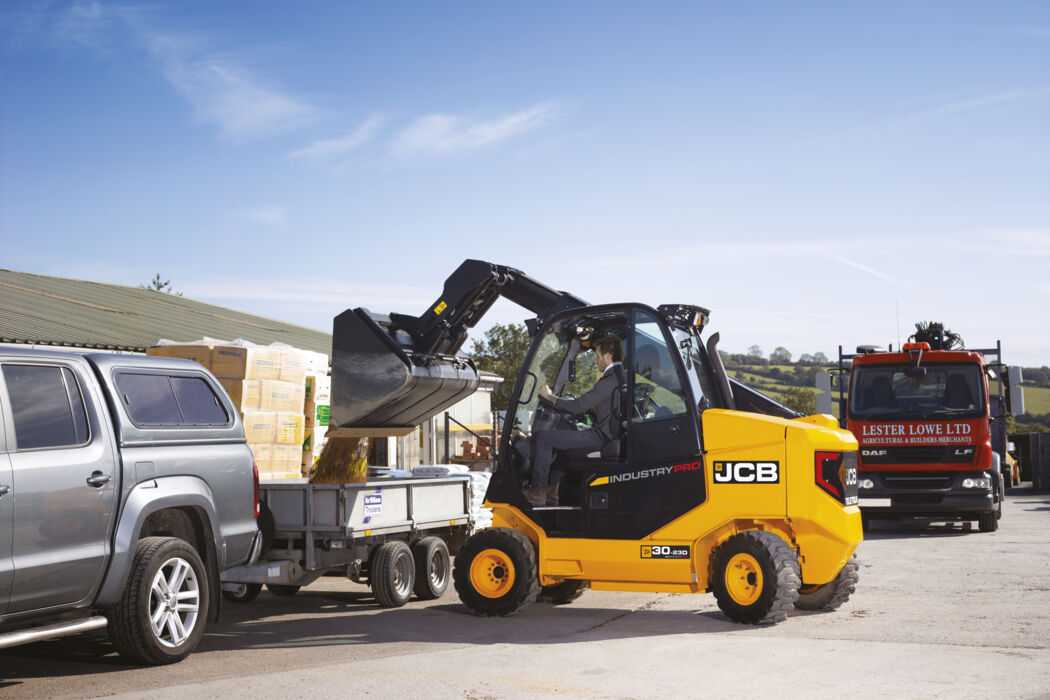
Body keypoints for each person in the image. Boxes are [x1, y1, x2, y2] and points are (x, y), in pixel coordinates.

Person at [521, 335, 625, 507]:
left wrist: (550, 397)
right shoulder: (623, 377)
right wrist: (593, 411)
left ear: (608, 356)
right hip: (610, 435)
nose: (595, 361)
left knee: (544, 438)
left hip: (600, 438)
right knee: (563, 443)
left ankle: (538, 492)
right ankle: (553, 493)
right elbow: (608, 406)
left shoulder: (609, 380)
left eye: (597, 357)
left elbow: (576, 406)